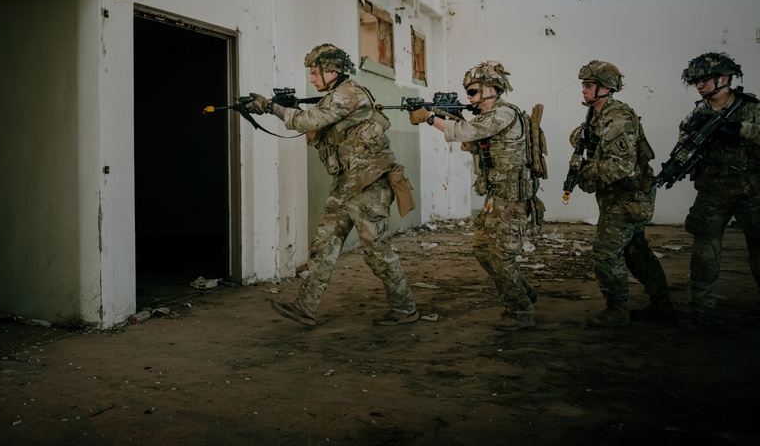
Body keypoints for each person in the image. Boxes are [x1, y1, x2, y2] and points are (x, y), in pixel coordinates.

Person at [245, 43, 419, 326]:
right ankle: (305, 307)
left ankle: (404, 308)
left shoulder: (347, 93)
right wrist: (290, 111)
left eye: (315, 73)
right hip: (346, 184)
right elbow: (315, 131)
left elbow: (309, 119)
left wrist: (271, 107)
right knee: (324, 245)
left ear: (332, 71)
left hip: (369, 185)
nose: (312, 79)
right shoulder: (332, 98)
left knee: (376, 252)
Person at [409, 61, 541, 331]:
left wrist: (430, 118)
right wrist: (446, 115)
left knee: (501, 259)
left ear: (491, 90)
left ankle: (521, 312)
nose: (468, 98)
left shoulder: (504, 114)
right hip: (496, 198)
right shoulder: (486, 118)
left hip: (512, 201)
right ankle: (524, 293)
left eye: (472, 92)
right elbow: (470, 141)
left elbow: (467, 133)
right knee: (483, 251)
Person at [569, 61, 673, 327]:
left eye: (588, 85)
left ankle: (617, 309)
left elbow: (622, 165)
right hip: (619, 195)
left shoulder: (617, 118)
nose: (583, 90)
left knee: (605, 251)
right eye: (583, 85)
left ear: (606, 88)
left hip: (628, 196)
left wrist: (586, 173)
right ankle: (662, 305)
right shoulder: (597, 115)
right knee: (635, 250)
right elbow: (584, 139)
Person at [674, 52, 760, 330]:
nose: (699, 85)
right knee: (705, 250)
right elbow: (683, 149)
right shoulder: (697, 114)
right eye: (695, 81)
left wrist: (741, 131)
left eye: (704, 80)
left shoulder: (752, 109)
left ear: (724, 79)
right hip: (712, 191)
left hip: (751, 190)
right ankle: (701, 311)